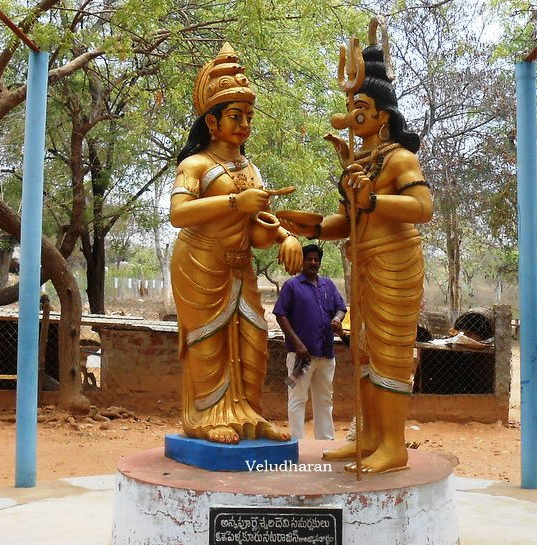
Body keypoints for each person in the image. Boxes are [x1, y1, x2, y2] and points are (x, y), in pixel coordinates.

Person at [280, 41, 433, 474]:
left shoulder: (399, 159)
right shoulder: (360, 162)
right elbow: (347, 221)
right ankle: (367, 436)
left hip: (394, 263)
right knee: (363, 352)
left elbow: (422, 207)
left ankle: (393, 446)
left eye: (360, 108)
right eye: (350, 107)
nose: (351, 115)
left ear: (383, 117)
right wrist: (311, 228)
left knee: (389, 352)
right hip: (363, 263)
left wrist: (373, 200)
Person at [169, 42, 302, 445]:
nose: (244, 124)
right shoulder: (195, 165)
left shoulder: (251, 169)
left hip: (239, 266)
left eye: (248, 116)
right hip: (199, 264)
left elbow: (256, 229)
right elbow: (179, 214)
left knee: (253, 339)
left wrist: (285, 236)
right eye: (235, 116)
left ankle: (250, 415)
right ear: (212, 122)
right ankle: (208, 418)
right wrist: (233, 202)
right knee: (208, 341)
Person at [273, 244, 346, 440]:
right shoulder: (292, 286)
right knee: (298, 398)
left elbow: (341, 307)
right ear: (302, 262)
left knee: (325, 399)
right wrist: (298, 344)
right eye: (309, 259)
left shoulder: (328, 285)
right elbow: (280, 315)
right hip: (301, 357)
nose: (313, 263)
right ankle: (297, 442)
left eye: (316, 260)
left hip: (326, 354)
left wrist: (337, 319)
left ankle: (325, 441)